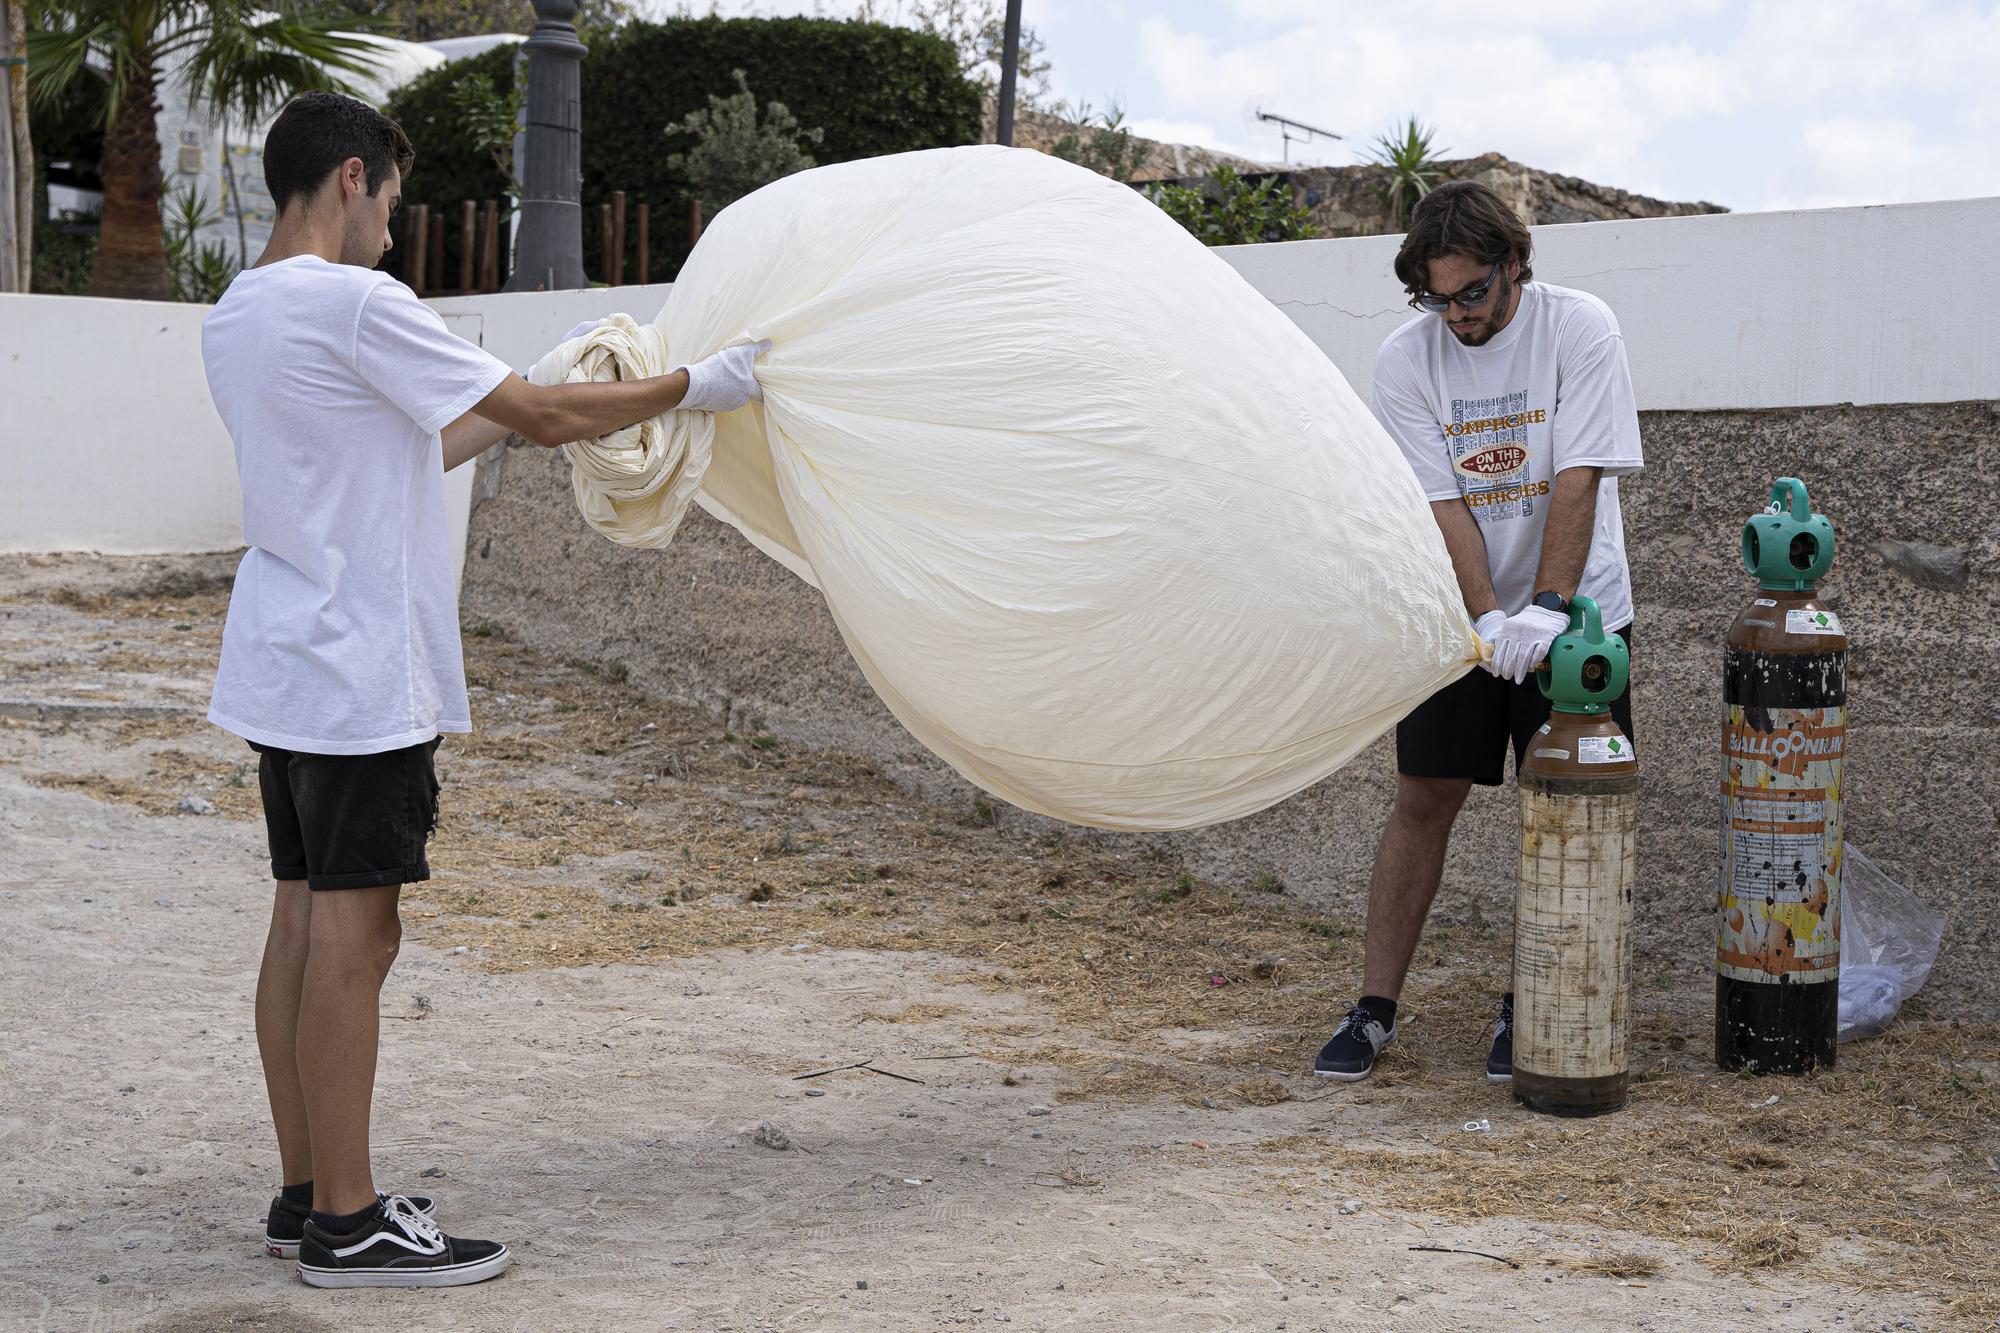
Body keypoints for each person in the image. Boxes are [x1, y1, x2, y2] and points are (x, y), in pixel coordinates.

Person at [201, 91, 765, 1288]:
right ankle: (352, 1224)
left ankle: (306, 1195)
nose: (396, 234)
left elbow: (405, 445)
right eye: (394, 204)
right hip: (361, 674)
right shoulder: (357, 301)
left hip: (287, 661)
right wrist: (691, 387)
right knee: (362, 934)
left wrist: (511, 419)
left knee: (301, 921)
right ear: (351, 179)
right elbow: (550, 412)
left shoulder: (239, 312)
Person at [1313, 181, 1643, 1084]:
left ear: (1515, 268)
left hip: (1579, 616)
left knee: (1562, 807)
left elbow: (1578, 477)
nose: (1454, 315)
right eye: (1436, 297)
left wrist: (1545, 608)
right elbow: (1441, 501)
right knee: (1424, 795)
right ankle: (1375, 1008)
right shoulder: (1405, 358)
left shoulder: (1580, 328)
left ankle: (1528, 1005)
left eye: (1471, 294)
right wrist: (1489, 618)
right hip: (1461, 616)